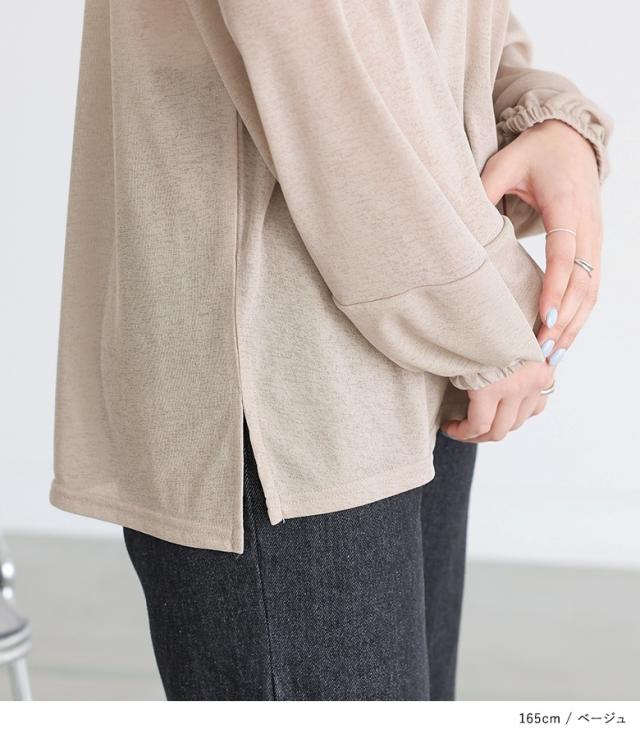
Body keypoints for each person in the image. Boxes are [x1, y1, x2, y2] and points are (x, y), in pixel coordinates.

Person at [50, 0, 613, 700]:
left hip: (417, 345)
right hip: (284, 395)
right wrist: (482, 315)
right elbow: (311, 48)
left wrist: (541, 113)